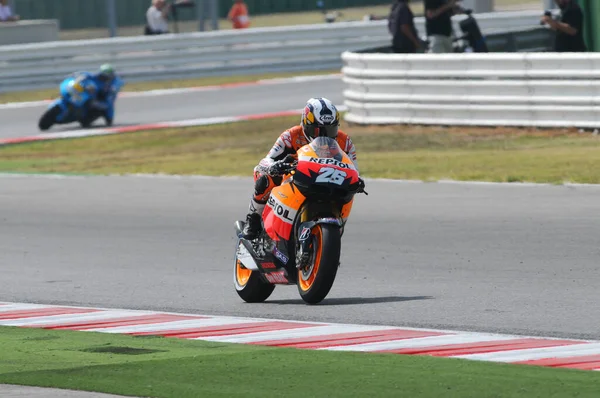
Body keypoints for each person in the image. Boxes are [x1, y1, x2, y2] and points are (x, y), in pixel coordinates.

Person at [241, 97, 363, 240]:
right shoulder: (291, 136)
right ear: (306, 124)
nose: (323, 136)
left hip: (327, 178)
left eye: (330, 130)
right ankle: (253, 219)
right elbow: (265, 161)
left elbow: (354, 169)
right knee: (264, 177)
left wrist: (358, 181)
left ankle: (336, 224)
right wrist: (275, 166)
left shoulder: (345, 142)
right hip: (293, 176)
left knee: (351, 188)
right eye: (317, 130)